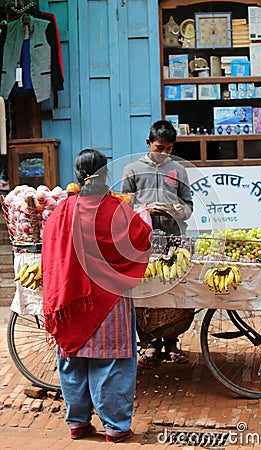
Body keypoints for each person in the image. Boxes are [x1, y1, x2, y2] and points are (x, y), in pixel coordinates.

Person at [42, 149, 152, 442]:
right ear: (105, 175)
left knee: (73, 361)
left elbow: (51, 258)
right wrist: (146, 215)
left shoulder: (61, 211)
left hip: (70, 301)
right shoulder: (116, 209)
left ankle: (77, 423)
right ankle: (115, 427)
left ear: (77, 176)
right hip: (108, 301)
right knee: (111, 362)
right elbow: (141, 237)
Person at [121, 120, 195, 369]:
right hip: (143, 239)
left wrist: (179, 211)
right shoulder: (132, 169)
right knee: (148, 290)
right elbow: (124, 205)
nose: (164, 153)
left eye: (169, 149)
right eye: (159, 148)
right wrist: (145, 208)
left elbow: (188, 205)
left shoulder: (179, 170)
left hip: (173, 237)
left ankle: (172, 341)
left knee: (172, 290)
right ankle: (151, 344)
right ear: (148, 143)